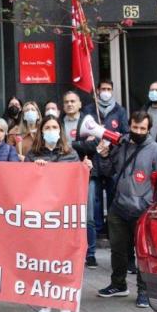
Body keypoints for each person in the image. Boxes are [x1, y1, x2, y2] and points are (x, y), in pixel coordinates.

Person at [95, 111, 157, 310]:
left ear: (148, 129)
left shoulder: (156, 150)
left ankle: (144, 290)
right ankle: (118, 284)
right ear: (129, 126)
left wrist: (150, 204)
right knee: (118, 250)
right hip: (119, 207)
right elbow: (108, 171)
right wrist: (103, 155)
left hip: (143, 211)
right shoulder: (122, 145)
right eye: (135, 128)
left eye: (142, 129)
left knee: (142, 253)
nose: (138, 132)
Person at [26, 115, 84, 312]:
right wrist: (34, 170)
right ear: (41, 131)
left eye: (54, 127)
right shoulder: (33, 154)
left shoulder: (71, 154)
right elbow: (23, 184)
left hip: (65, 217)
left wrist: (85, 168)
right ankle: (45, 306)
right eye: (47, 127)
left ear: (60, 131)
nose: (51, 130)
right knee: (43, 261)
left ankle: (65, 307)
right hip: (42, 217)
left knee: (65, 260)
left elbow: (78, 181)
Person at [83, 80, 129, 238]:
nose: (106, 92)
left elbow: (125, 134)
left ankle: (111, 229)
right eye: (103, 89)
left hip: (112, 161)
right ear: (97, 90)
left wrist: (110, 145)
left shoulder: (119, 111)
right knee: (94, 199)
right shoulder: (89, 110)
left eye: (109, 89)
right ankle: (97, 229)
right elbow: (82, 134)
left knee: (112, 195)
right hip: (94, 160)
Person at [60, 91, 99, 268]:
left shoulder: (88, 121)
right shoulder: (59, 123)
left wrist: (71, 144)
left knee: (88, 216)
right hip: (63, 176)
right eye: (66, 102)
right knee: (66, 216)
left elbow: (93, 144)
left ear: (79, 104)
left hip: (85, 174)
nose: (69, 104)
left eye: (73, 101)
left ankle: (90, 254)